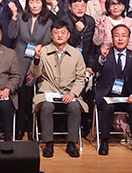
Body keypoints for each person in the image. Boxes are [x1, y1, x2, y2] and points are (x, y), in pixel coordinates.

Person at [30, 21, 88, 158]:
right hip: (48, 93)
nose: (59, 35)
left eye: (63, 32)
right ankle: (48, 143)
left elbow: (81, 78)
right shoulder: (43, 51)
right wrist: (37, 58)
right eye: (56, 32)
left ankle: (72, 143)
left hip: (69, 93)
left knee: (75, 107)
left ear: (68, 35)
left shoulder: (76, 54)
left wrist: (73, 94)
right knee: (46, 107)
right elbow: (34, 74)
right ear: (51, 35)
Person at [94, 24, 132, 155]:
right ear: (112, 38)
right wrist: (102, 58)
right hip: (107, 95)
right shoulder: (105, 53)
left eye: (124, 36)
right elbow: (94, 69)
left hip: (127, 96)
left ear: (129, 38)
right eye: (117, 35)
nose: (120, 39)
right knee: (107, 108)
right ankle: (104, 141)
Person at [8, 0, 52, 139]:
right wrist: (14, 17)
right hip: (19, 59)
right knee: (20, 96)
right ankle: (19, 128)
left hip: (37, 61)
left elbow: (46, 42)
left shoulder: (48, 21)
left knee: (32, 95)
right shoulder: (21, 17)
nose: (34, 5)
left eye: (38, 2)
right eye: (31, 2)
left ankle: (32, 128)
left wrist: (35, 65)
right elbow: (11, 35)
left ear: (43, 3)